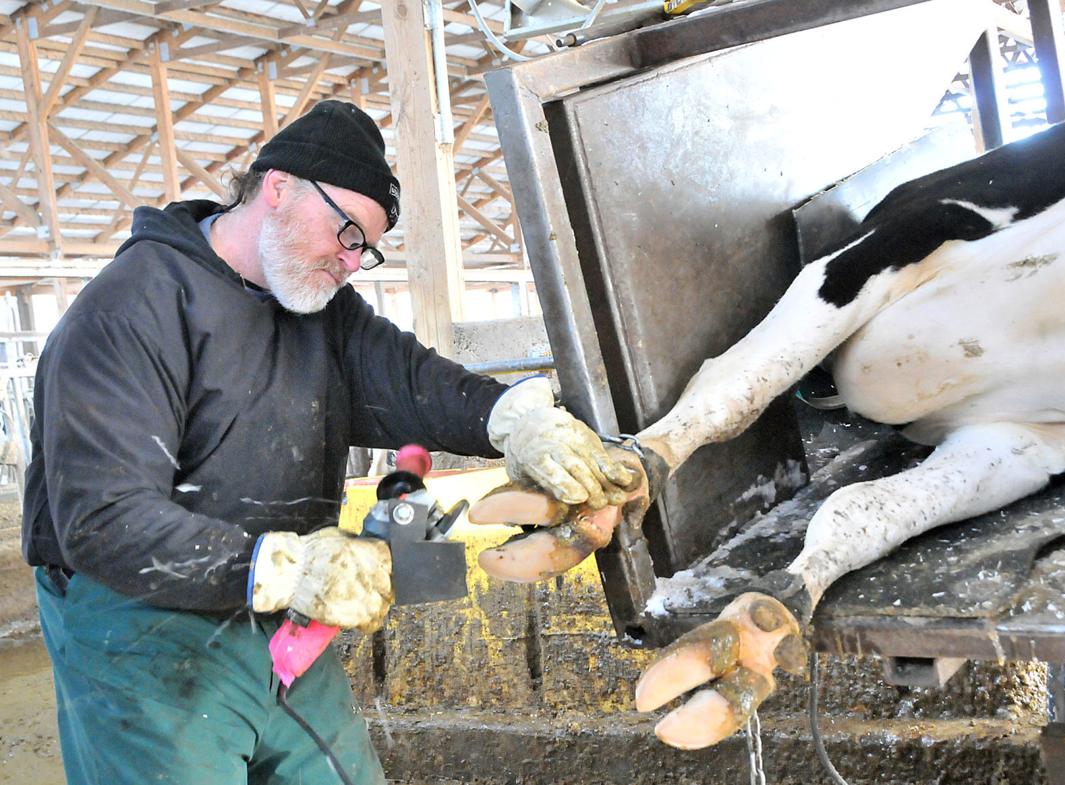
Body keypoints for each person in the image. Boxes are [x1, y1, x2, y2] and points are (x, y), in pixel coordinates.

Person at [21, 100, 635, 785]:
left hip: (285, 615)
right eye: (346, 231)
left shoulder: (321, 312)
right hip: (144, 635)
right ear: (277, 186)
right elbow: (101, 521)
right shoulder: (132, 308)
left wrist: (512, 418)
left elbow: (406, 378)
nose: (350, 259)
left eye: (363, 248)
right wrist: (283, 568)